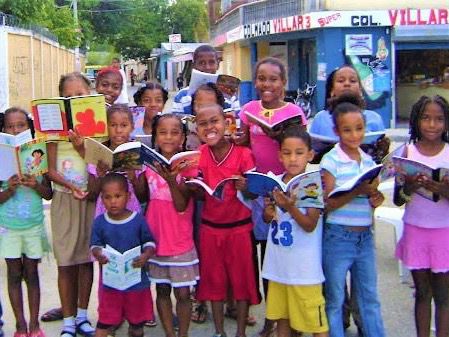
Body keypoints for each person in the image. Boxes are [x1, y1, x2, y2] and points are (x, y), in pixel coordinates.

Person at [238, 57, 307, 337]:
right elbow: (243, 144)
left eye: (273, 79)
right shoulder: (248, 110)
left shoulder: (294, 112)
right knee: (258, 258)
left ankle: (285, 317)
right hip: (255, 190)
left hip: (284, 191)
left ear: (283, 83)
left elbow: (301, 149)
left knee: (278, 256)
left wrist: (279, 136)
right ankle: (269, 316)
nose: (267, 84)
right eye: (261, 78)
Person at [320, 93, 386, 337]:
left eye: (359, 129)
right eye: (347, 130)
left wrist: (375, 199)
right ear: (337, 132)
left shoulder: (368, 161)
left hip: (365, 238)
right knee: (335, 298)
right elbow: (328, 204)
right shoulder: (331, 160)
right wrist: (357, 191)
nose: (354, 135)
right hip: (339, 238)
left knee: (370, 296)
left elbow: (370, 199)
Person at [192, 103, 261, 337]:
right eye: (203, 123)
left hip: (240, 229)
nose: (209, 127)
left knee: (242, 283)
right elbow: (198, 193)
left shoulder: (244, 154)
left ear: (226, 123)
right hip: (210, 229)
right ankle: (220, 331)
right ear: (196, 128)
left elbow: (254, 193)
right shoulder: (198, 156)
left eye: (215, 121)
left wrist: (246, 186)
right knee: (214, 283)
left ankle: (240, 332)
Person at [86, 104, 156, 330]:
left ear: (132, 126)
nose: (118, 131)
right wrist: (100, 174)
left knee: (134, 263)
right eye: (113, 125)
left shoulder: (137, 153)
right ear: (106, 127)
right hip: (105, 218)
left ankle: (136, 313)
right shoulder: (98, 153)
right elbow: (92, 193)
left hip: (132, 218)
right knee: (108, 264)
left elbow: (145, 194)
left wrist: (134, 178)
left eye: (124, 125)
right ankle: (109, 314)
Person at [262, 127, 328, 337]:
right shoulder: (276, 182)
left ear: (310, 155)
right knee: (283, 318)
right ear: (280, 155)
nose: (293, 159)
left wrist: (290, 206)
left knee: (316, 324)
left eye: (299, 153)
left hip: (304, 270)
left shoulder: (312, 185)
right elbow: (268, 219)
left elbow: (310, 225)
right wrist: (269, 211)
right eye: (287, 153)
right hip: (279, 266)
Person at [138, 113, 199, 337]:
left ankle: (182, 334)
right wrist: (133, 175)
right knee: (162, 290)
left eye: (175, 132)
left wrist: (172, 179)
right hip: (156, 238)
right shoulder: (149, 165)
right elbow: (143, 195)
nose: (169, 138)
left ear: (183, 136)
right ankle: (169, 334)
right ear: (155, 137)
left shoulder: (189, 167)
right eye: (162, 133)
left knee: (183, 294)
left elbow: (182, 205)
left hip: (180, 240)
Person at [46, 72, 97, 337]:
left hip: (89, 198)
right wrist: (71, 186)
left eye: (81, 94)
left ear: (89, 95)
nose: (75, 99)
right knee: (66, 261)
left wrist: (81, 148)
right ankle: (67, 322)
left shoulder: (97, 124)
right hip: (65, 198)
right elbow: (50, 169)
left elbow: (99, 163)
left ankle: (82, 316)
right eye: (69, 96)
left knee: (86, 259)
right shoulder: (54, 127)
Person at [394, 95, 449, 337]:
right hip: (415, 229)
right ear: (416, 120)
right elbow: (398, 199)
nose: (432, 124)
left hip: (444, 232)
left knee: (444, 295)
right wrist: (410, 187)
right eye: (426, 118)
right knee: (422, 293)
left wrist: (442, 190)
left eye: (439, 119)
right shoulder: (407, 152)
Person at [0, 107, 53, 337]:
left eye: (21, 125)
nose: (15, 130)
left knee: (32, 273)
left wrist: (35, 185)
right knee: (13, 274)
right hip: (8, 227)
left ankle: (34, 325)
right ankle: (20, 325)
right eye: (10, 127)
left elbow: (49, 194)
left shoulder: (37, 153)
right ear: (3, 130)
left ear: (29, 129)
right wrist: (9, 190)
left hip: (33, 225)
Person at [90, 173, 155, 337]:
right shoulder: (100, 222)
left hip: (136, 282)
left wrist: (145, 256)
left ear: (128, 196)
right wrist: (99, 254)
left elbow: (149, 242)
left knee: (137, 325)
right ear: (102, 198)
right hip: (111, 284)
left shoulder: (138, 220)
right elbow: (94, 245)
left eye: (118, 196)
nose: (113, 201)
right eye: (107, 197)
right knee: (104, 322)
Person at [309, 65, 389, 164]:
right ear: (332, 91)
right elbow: (312, 156)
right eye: (341, 81)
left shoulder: (375, 118)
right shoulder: (320, 118)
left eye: (352, 81)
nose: (347, 84)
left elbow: (381, 158)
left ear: (360, 90)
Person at [172, 44, 241, 115]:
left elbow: (236, 122)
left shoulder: (230, 96)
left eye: (211, 62)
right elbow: (177, 122)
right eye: (201, 63)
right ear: (194, 66)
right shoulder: (182, 96)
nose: (207, 67)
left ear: (218, 65)